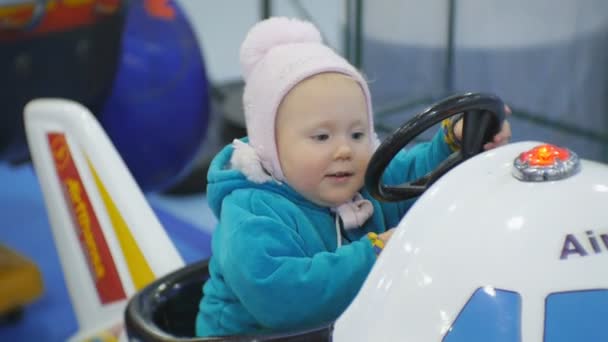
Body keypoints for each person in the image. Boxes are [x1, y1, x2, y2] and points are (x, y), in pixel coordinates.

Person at [196, 17, 511, 337]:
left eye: (358, 133)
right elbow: (281, 299)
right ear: (270, 146)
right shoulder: (250, 211)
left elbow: (414, 179)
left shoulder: (361, 182)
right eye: (321, 137)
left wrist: (454, 143)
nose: (345, 150)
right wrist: (377, 253)